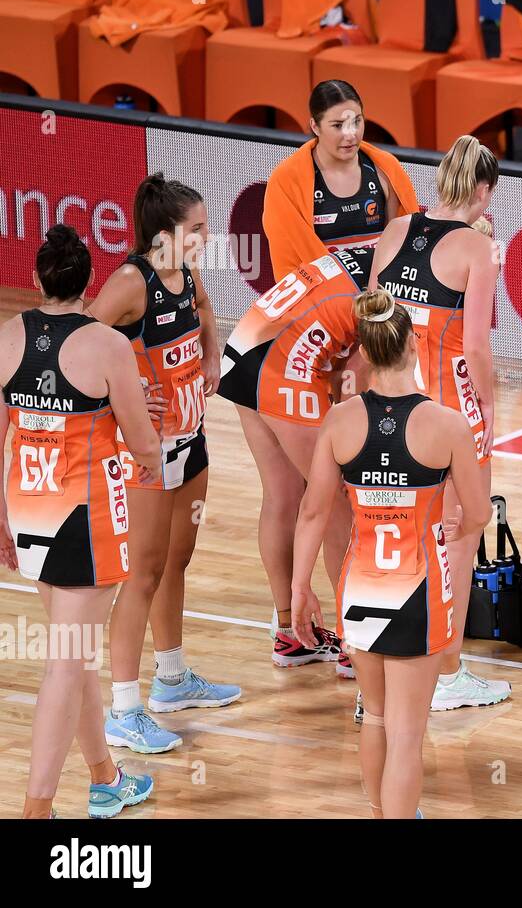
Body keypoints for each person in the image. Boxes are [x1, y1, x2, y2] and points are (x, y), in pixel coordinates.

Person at [291, 289, 490, 818]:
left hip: (359, 587)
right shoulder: (446, 425)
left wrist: (297, 589)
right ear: (413, 345)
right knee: (407, 735)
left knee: (374, 719)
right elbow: (478, 512)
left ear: (367, 352)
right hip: (417, 593)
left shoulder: (339, 420)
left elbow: (311, 514)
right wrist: (454, 526)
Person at [1, 225, 161, 818]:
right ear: (88, 280)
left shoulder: (6, 338)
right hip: (83, 524)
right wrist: (144, 421)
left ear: (38, 278)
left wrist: (1, 522)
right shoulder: (107, 346)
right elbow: (145, 449)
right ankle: (35, 811)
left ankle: (105, 777)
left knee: (76, 653)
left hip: (29, 512)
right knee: (65, 668)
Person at [88, 175, 240, 756]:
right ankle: (123, 710)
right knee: (142, 573)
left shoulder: (188, 272)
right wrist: (123, 396)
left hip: (191, 436)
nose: (207, 237)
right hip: (146, 450)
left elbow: (204, 313)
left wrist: (209, 362)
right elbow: (83, 352)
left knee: (177, 560)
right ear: (163, 234)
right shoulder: (131, 283)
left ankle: (172, 680)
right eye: (196, 229)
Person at [370, 134, 510, 710]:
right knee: (458, 538)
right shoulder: (478, 249)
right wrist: (491, 411)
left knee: (401, 536)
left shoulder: (395, 231)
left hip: (389, 404)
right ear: (482, 191)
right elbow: (475, 347)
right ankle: (446, 674)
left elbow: (373, 323)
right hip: (450, 408)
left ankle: (382, 672)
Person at [218, 249, 365, 675]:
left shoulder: (373, 253)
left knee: (282, 495)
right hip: (282, 368)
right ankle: (352, 643)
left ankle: (289, 630)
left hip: (244, 349)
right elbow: (357, 378)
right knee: (338, 499)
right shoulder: (401, 288)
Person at [263, 79, 420, 288]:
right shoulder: (286, 180)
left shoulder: (386, 170)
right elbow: (288, 267)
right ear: (315, 126)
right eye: (338, 125)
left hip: (376, 302)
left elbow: (401, 250)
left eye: (357, 121)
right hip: (318, 302)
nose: (351, 134)